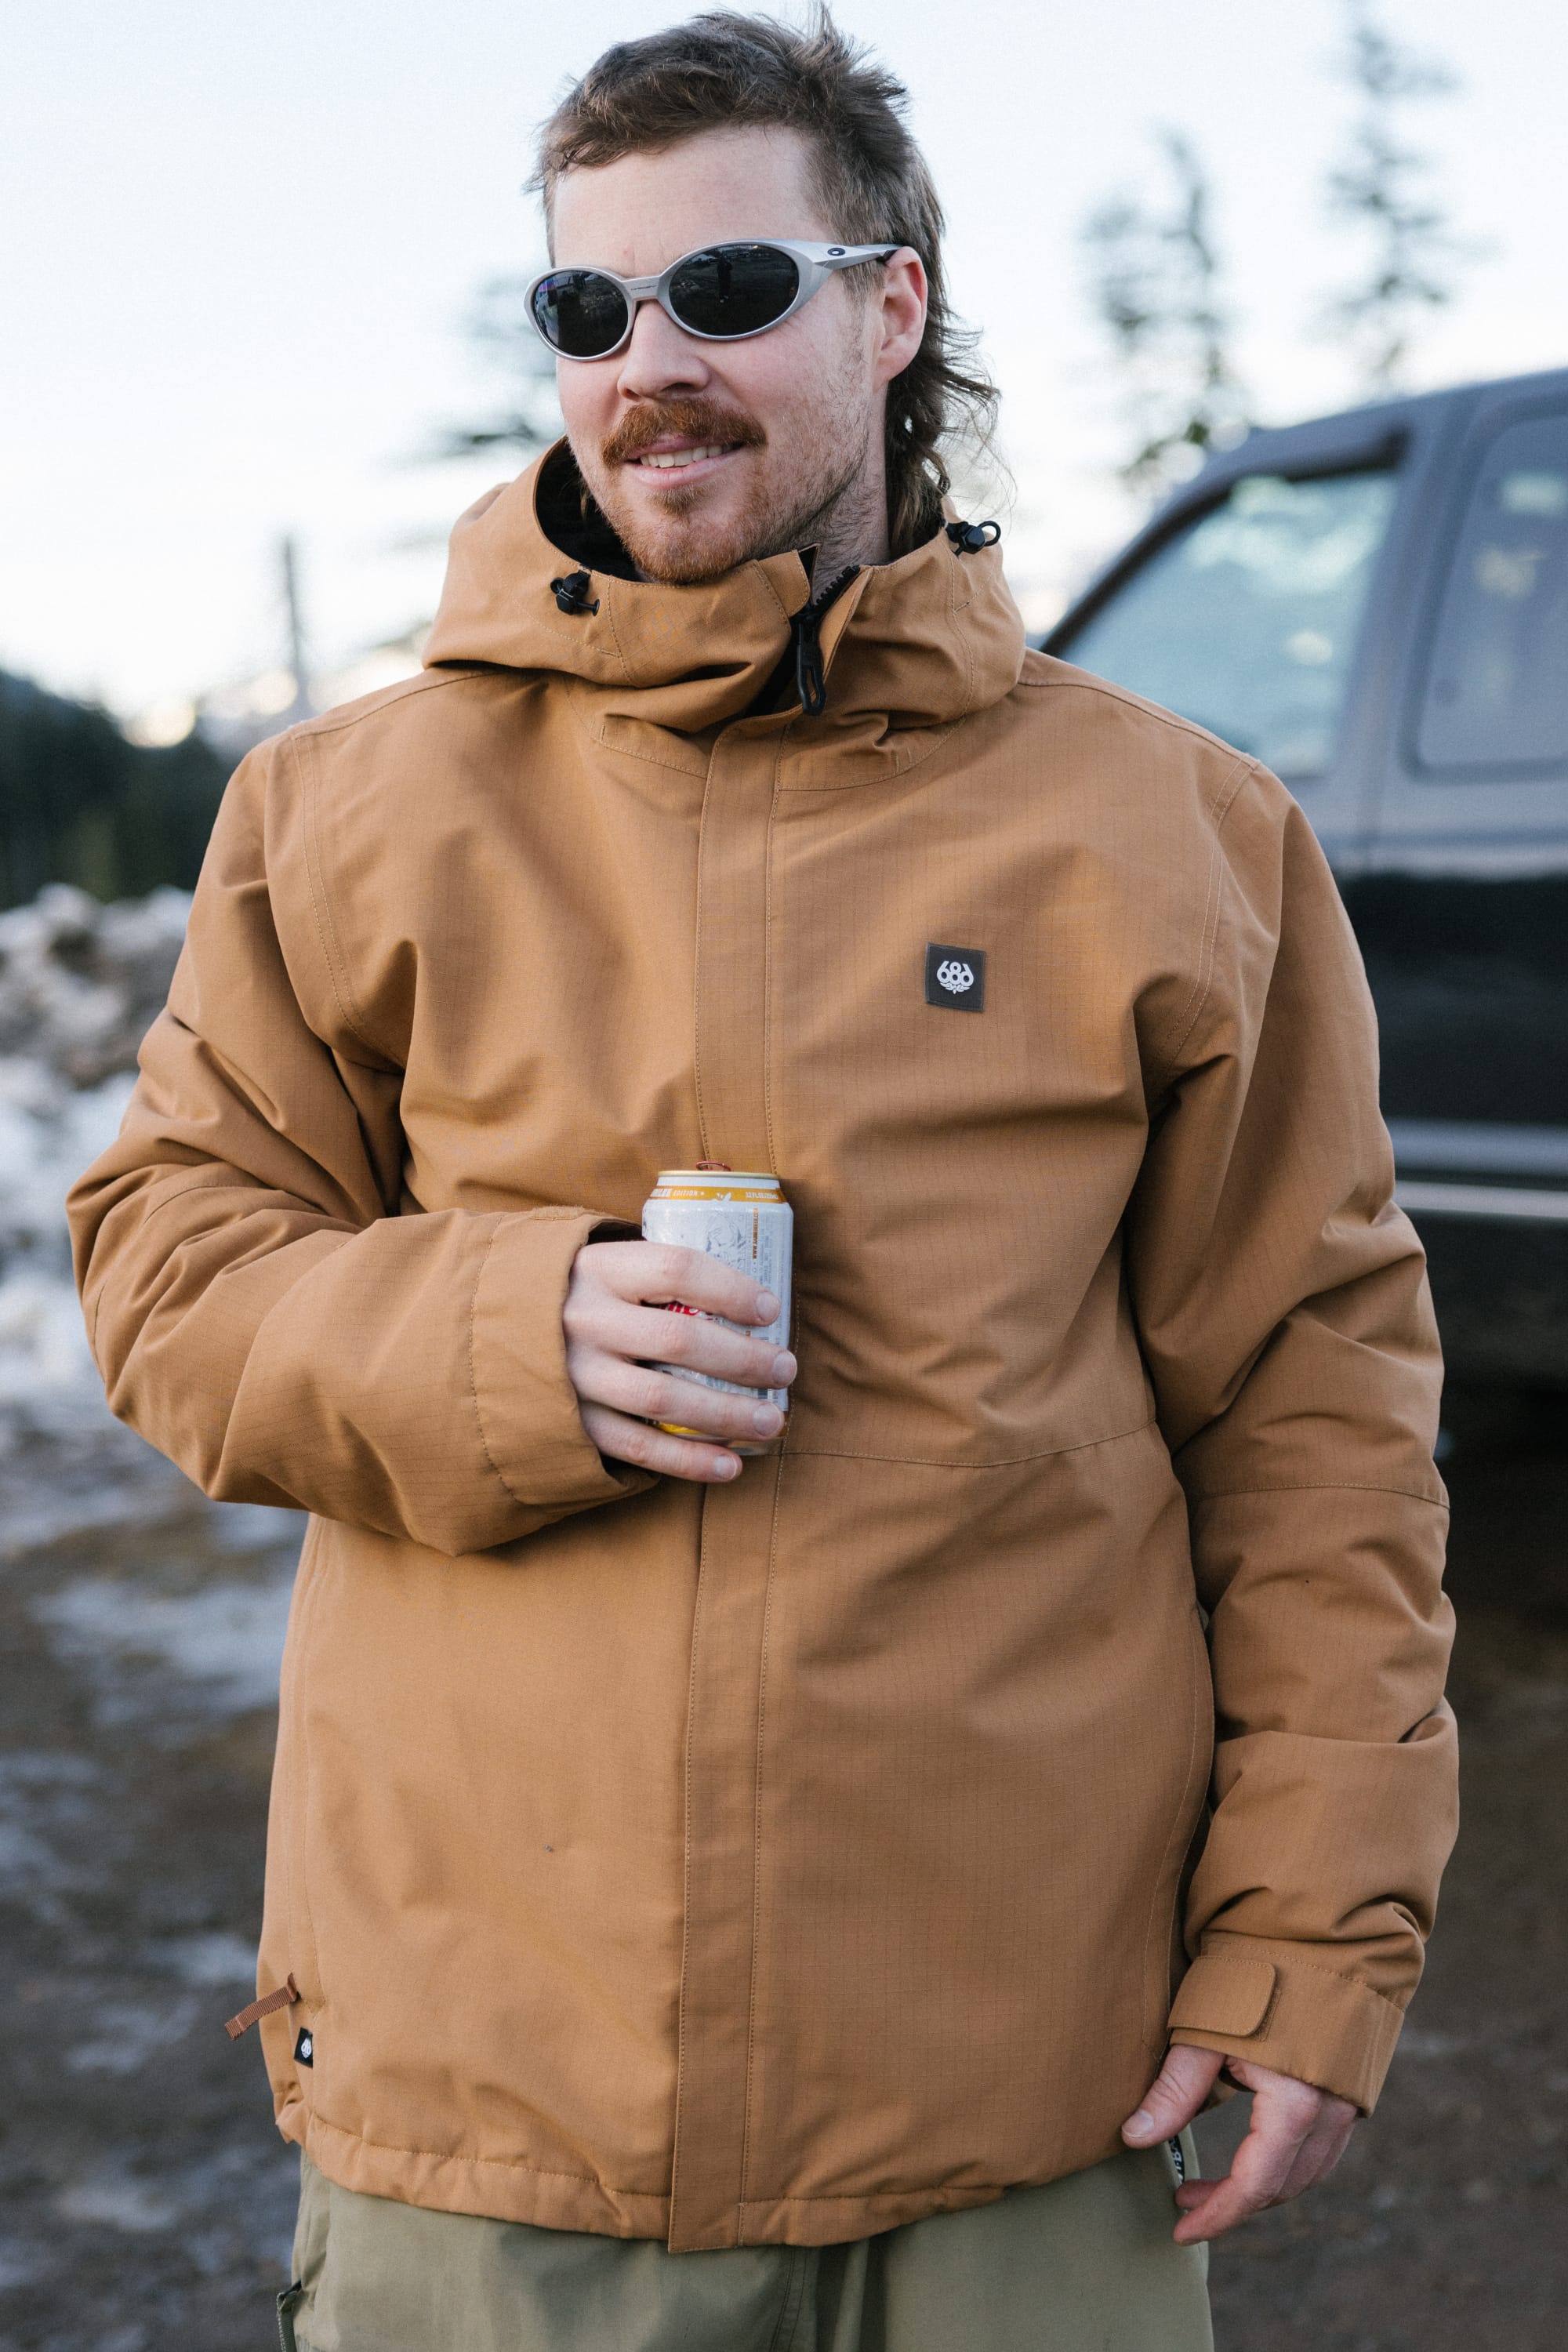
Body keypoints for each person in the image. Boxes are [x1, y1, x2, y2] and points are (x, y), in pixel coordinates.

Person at [67, 12, 1458, 2348]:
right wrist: (517, 1333)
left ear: (891, 306)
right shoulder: (340, 814)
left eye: (725, 292)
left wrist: (1320, 1924)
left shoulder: (1183, 835)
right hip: (494, 2102)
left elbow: (1315, 1403)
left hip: (1026, 2095)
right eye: (586, 310)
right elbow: (169, 1275)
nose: (649, 366)